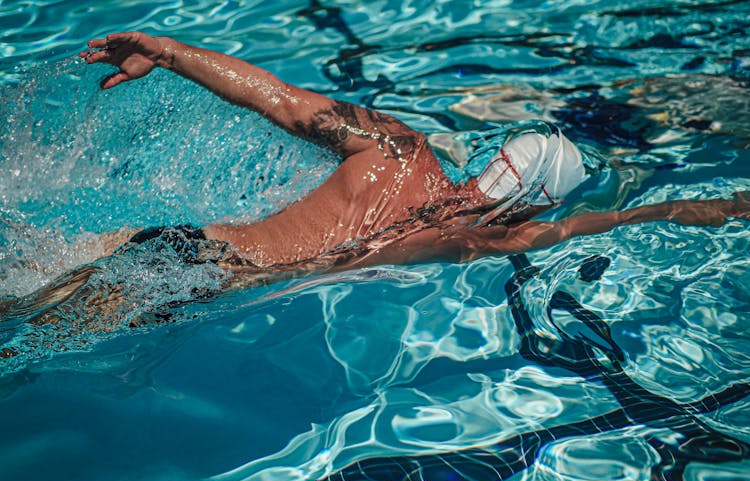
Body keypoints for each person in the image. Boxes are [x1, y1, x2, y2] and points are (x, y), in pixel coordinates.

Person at [76, 31, 750, 282]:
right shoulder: (480, 241)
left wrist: (168, 53)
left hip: (182, 246)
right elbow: (619, 221)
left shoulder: (400, 149)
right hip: (194, 283)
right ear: (539, 198)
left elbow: (275, 97)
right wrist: (721, 207)